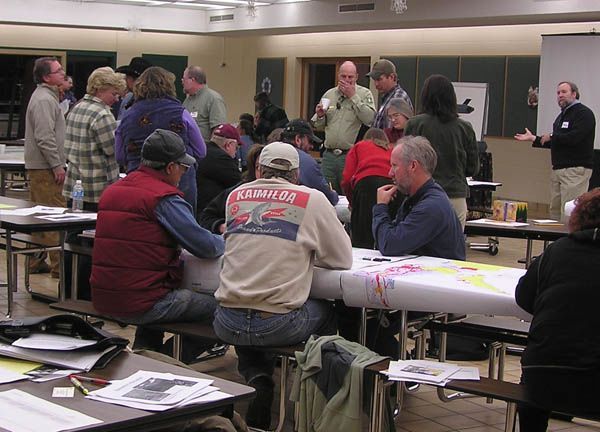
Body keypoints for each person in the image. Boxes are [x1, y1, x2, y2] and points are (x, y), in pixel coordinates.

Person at [213, 142, 352, 430]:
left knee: (248, 308)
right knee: (327, 311)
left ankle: (257, 375)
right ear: (296, 174)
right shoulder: (311, 199)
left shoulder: (236, 195)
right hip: (277, 324)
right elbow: (342, 258)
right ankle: (314, 396)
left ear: (259, 169)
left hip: (226, 320)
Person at [91, 129, 224, 360]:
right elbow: (205, 247)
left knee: (151, 291)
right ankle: (167, 360)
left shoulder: (113, 191)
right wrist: (227, 239)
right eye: (183, 168)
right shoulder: (164, 198)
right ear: (170, 167)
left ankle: (145, 354)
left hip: (104, 296)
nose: (183, 174)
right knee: (225, 312)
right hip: (142, 302)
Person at [369, 135, 465, 358]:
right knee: (350, 309)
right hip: (417, 282)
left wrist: (381, 208)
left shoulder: (431, 205)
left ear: (413, 166)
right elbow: (389, 238)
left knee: (365, 318)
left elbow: (389, 243)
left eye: (394, 166)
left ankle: (392, 376)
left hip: (434, 290)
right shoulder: (416, 198)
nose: (390, 173)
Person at [515, 188, 600, 431]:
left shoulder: (556, 251)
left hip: (543, 375)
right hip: (593, 379)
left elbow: (523, 297)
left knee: (536, 388)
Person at [116, 66, 205, 214]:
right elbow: (200, 151)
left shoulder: (128, 115)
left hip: (139, 180)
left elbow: (120, 156)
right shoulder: (181, 113)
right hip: (178, 180)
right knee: (183, 226)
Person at [405, 74, 479, 229]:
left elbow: (405, 162)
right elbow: (473, 168)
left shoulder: (414, 124)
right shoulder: (465, 128)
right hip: (455, 196)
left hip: (423, 195)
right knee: (453, 247)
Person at [515, 81, 595, 217]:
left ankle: (570, 238)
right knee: (555, 211)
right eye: (558, 93)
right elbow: (557, 141)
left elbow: (574, 138)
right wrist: (534, 138)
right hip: (558, 169)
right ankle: (556, 238)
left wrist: (552, 135)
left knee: (570, 211)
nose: (560, 95)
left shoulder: (583, 113)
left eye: (564, 92)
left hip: (574, 170)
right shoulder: (561, 116)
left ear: (574, 94)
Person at [24, 56, 68, 277]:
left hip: (43, 167)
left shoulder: (48, 97)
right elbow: (44, 137)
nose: (63, 74)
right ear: (46, 77)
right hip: (45, 168)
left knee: (40, 216)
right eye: (58, 71)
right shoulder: (44, 100)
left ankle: (36, 262)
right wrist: (57, 165)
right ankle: (60, 268)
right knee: (52, 217)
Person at [63, 66, 126, 211]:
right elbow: (112, 150)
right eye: (114, 94)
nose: (116, 99)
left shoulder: (76, 108)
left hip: (74, 183)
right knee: (92, 231)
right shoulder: (103, 114)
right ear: (100, 89)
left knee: (73, 228)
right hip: (96, 188)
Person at [312, 61, 376, 193]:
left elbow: (370, 119)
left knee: (349, 194)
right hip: (329, 155)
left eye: (350, 77)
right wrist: (320, 116)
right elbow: (317, 125)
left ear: (356, 77)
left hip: (350, 155)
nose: (346, 80)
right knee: (326, 193)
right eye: (343, 76)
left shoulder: (364, 94)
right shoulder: (329, 94)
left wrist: (353, 96)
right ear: (338, 76)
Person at [342, 127, 397, 249]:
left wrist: (353, 202)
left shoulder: (359, 146)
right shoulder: (391, 150)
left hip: (365, 184)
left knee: (362, 235)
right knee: (387, 226)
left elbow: (346, 178)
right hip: (389, 185)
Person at [198, 144, 264, 234]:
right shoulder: (238, 191)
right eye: (258, 167)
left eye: (268, 168)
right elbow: (206, 217)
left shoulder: (289, 193)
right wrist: (221, 226)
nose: (262, 172)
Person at [280, 118, 339, 205]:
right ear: (298, 139)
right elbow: (327, 197)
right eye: (310, 141)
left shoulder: (264, 154)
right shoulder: (305, 161)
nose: (311, 146)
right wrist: (333, 194)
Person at [195, 124, 242, 213]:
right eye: (236, 148)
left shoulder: (203, 151)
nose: (236, 153)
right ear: (228, 145)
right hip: (209, 212)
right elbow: (239, 185)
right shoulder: (222, 159)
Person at [182, 65, 227, 142]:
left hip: (204, 150)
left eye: (184, 78)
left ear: (192, 80)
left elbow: (219, 130)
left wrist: (211, 151)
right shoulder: (187, 101)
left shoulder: (213, 98)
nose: (182, 81)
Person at [366, 59, 414, 130]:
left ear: (392, 77)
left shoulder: (398, 97)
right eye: (374, 80)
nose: (376, 84)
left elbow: (391, 132)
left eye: (379, 79)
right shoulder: (387, 98)